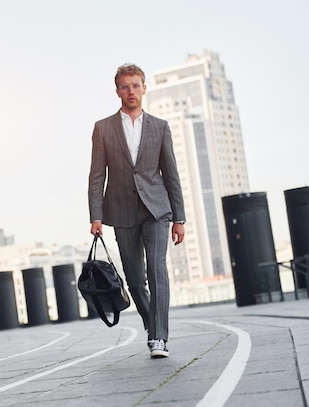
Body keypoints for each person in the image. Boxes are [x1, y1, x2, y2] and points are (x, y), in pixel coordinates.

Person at [88, 63, 185, 358]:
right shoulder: (103, 128)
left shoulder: (160, 126)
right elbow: (96, 175)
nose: (131, 91)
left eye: (136, 85)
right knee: (134, 278)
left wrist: (179, 218)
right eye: (125, 86)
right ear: (117, 91)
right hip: (121, 211)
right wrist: (96, 215)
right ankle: (151, 321)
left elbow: (171, 174)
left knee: (157, 270)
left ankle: (158, 338)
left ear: (144, 88)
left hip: (157, 210)